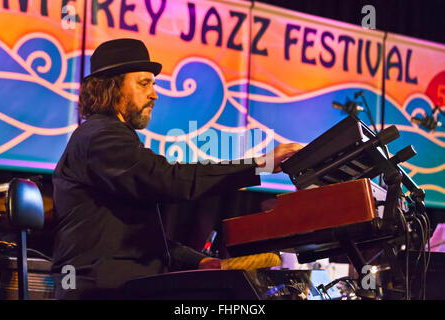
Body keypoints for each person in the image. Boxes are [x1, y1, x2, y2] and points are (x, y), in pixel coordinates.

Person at [51, 38, 302, 299]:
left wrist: (199, 261)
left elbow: (143, 237)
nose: (154, 94)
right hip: (98, 292)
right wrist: (261, 164)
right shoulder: (101, 137)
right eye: (143, 83)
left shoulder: (107, 136)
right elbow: (170, 180)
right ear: (111, 87)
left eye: (153, 84)